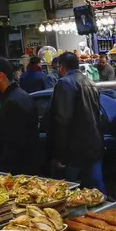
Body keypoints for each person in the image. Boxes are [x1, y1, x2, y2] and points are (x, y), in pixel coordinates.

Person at [47, 52, 105, 192]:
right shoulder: (90, 83)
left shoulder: (65, 83)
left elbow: (63, 120)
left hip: (75, 149)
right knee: (96, 190)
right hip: (94, 145)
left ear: (61, 67)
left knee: (67, 191)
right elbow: (99, 116)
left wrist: (59, 154)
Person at [0, 58, 39, 175]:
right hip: (29, 166)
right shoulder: (22, 95)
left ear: (1, 76)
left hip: (19, 171)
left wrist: (2, 172)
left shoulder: (12, 102)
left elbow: (13, 145)